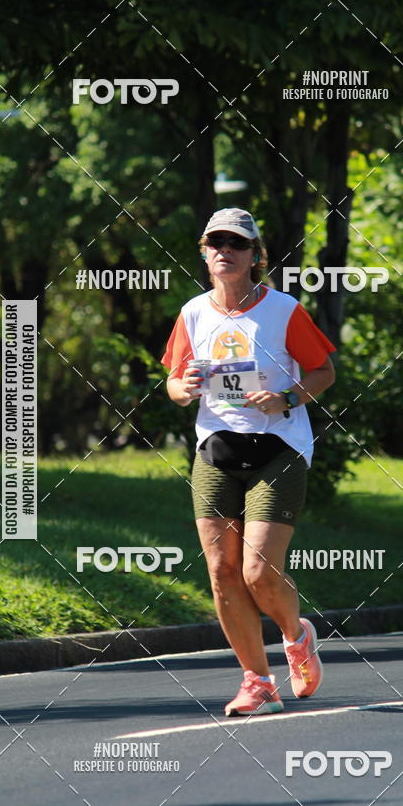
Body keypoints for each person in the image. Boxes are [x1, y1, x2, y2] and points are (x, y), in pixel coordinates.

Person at [161, 208, 336, 716]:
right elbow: (174, 382)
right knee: (221, 571)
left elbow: (323, 371)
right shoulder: (194, 312)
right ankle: (257, 681)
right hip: (216, 448)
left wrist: (287, 398)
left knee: (258, 572)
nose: (224, 251)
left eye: (235, 244)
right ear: (203, 251)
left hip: (277, 449)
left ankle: (295, 634)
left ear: (255, 256)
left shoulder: (283, 311)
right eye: (215, 242)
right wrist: (182, 388)